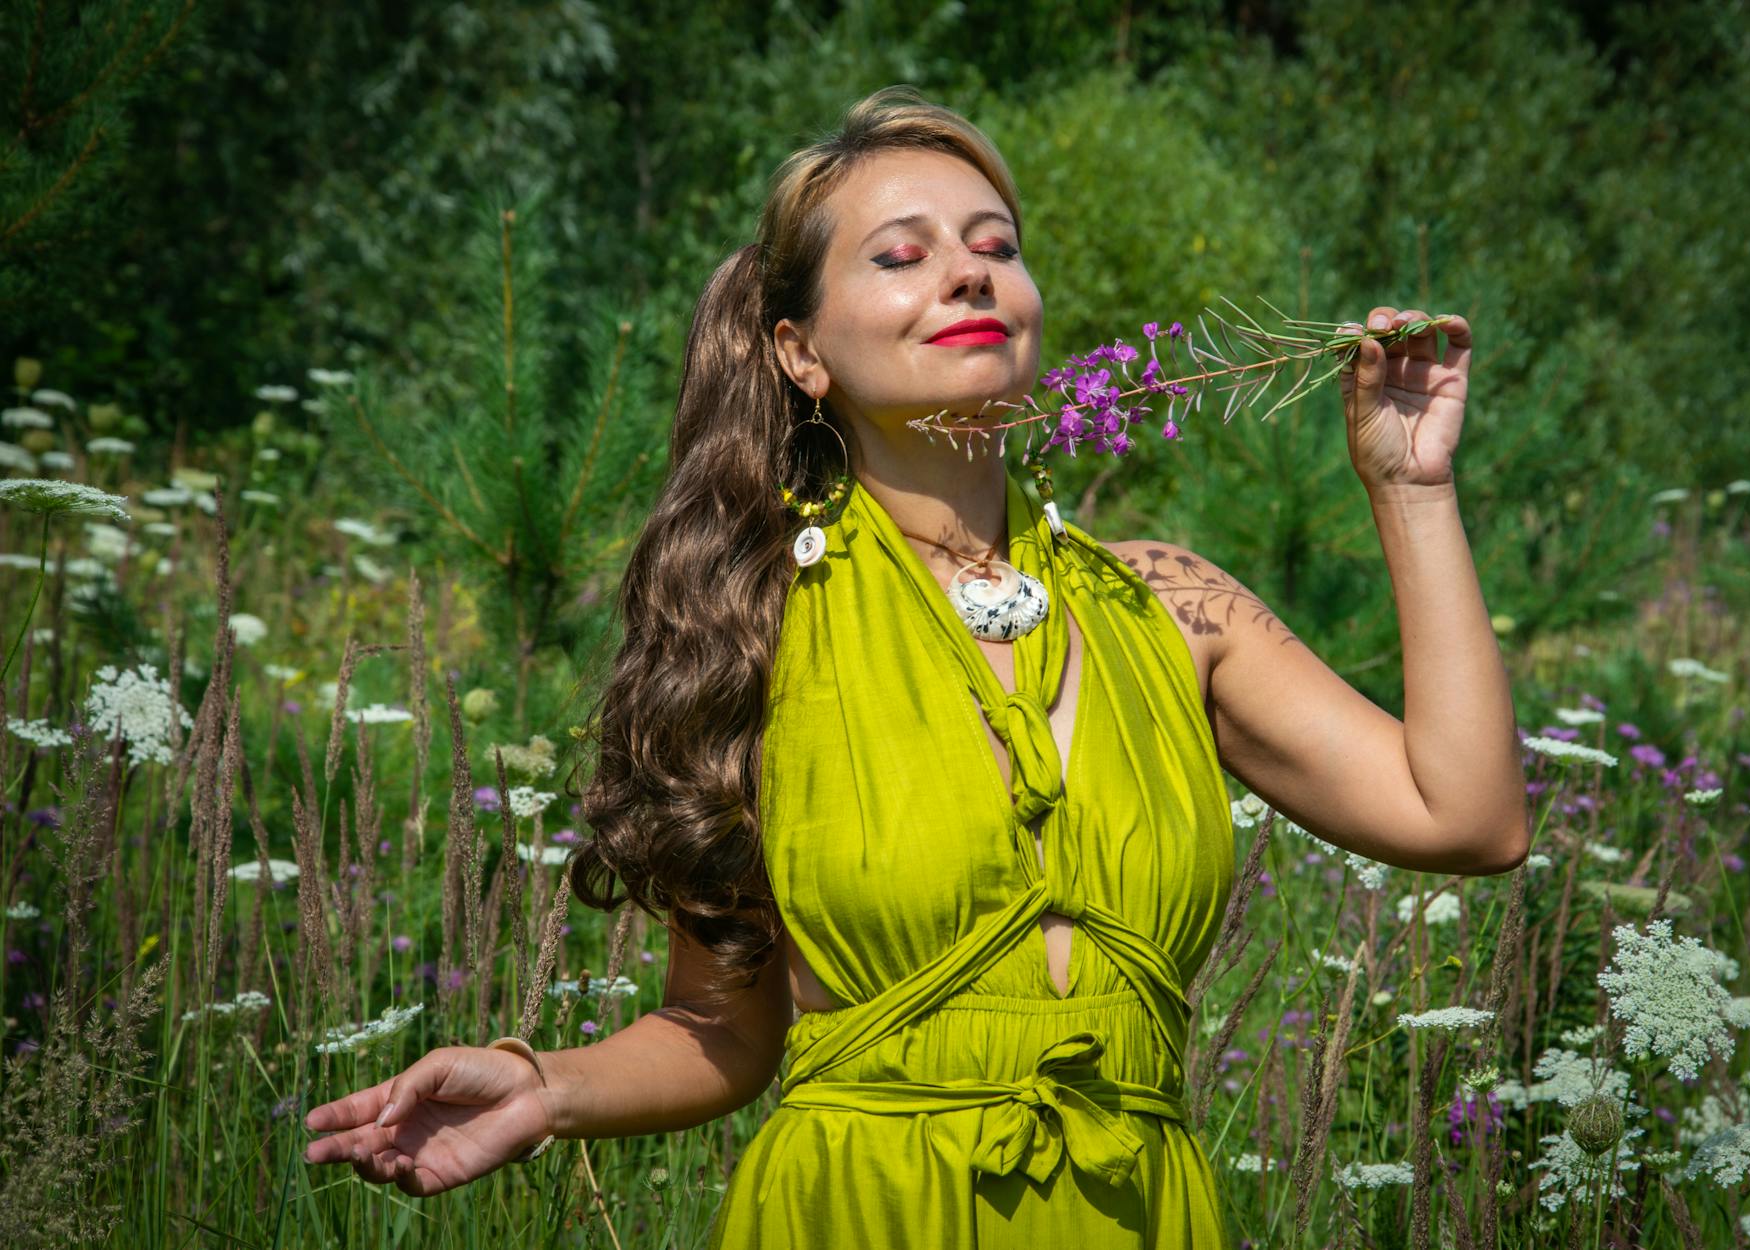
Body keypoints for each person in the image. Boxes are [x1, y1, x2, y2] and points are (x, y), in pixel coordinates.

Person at [301, 85, 1530, 1245]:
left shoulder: (1168, 601)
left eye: (993, 243)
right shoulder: (747, 622)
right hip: (859, 1205)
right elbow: (717, 1028)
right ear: (798, 352)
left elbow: (1465, 815)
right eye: (901, 255)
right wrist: (541, 1084)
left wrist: (1411, 486)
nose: (966, 271)